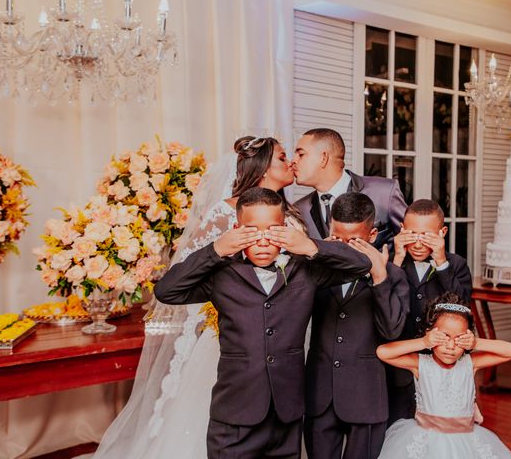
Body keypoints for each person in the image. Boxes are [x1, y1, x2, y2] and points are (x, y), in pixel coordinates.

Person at [90, 137, 299, 459]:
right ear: (262, 169)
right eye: (284, 158)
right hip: (234, 335)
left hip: (288, 336)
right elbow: (185, 275)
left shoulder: (292, 212)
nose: (292, 164)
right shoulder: (225, 213)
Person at [154, 187, 372, 458]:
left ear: (284, 229)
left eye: (272, 230)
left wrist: (311, 246)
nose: (263, 240)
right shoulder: (222, 273)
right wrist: (216, 249)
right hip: (234, 418)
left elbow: (361, 265)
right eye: (251, 230)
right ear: (236, 229)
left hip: (286, 417)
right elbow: (166, 290)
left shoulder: (304, 271)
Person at [304, 192, 410, 459]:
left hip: (367, 397)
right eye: (336, 238)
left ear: (372, 236)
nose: (343, 247)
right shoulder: (316, 271)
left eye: (354, 241)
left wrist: (379, 277)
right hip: (320, 396)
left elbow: (391, 331)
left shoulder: (393, 278)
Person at [376, 292, 511, 458]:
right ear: (431, 334)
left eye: (459, 339)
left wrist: (476, 343)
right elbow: (383, 352)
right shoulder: (420, 363)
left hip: (467, 441)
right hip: (426, 441)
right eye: (444, 337)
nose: (451, 346)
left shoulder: (469, 363)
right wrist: (423, 342)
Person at [388, 198, 473, 424]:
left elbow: (464, 308)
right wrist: (395, 260)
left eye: (426, 236)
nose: (417, 244)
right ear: (402, 230)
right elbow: (381, 303)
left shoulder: (456, 265)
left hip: (441, 370)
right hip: (398, 367)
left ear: (442, 232)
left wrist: (442, 263)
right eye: (411, 234)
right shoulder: (389, 262)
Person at [292, 128, 407, 250]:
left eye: (301, 154)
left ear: (323, 158)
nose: (293, 161)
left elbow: (414, 243)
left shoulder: (385, 192)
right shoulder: (299, 209)